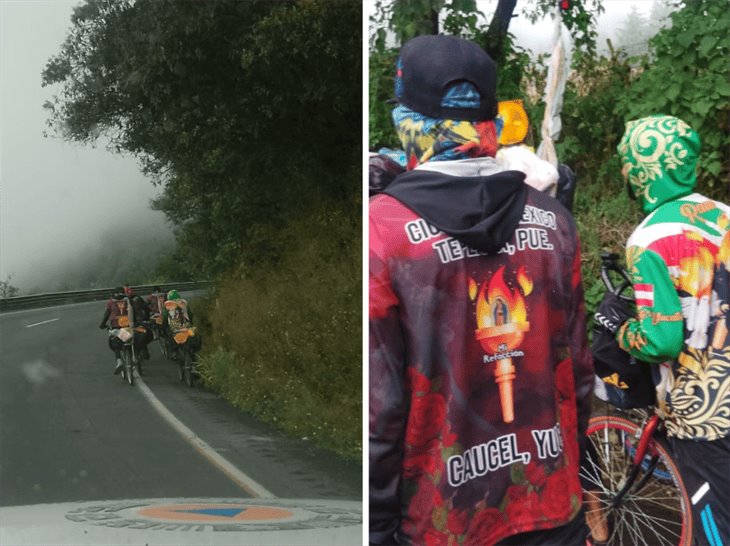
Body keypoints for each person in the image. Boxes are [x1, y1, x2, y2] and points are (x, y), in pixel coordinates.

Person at [369, 34, 593, 546]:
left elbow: (380, 410)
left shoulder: (383, 233)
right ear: (491, 123)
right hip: (551, 505)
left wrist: (377, 528)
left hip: (442, 520)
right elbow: (579, 373)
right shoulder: (555, 221)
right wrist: (583, 483)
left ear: (407, 122)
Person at [609, 114, 730, 545]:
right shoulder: (723, 216)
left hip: (705, 412)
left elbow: (662, 340)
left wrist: (625, 333)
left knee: (714, 527)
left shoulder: (650, 240)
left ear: (642, 174)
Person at [99, 286, 139, 374]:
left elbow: (106, 315)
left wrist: (102, 325)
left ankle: (119, 361)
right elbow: (135, 312)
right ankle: (135, 356)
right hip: (129, 326)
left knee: (114, 341)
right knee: (133, 339)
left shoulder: (110, 302)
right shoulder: (128, 300)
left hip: (116, 327)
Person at [123, 284, 152, 360]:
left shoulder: (135, 299)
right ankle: (142, 349)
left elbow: (146, 309)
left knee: (147, 333)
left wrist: (146, 319)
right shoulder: (136, 299)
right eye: (127, 291)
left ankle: (141, 349)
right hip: (134, 323)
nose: (129, 292)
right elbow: (147, 309)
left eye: (129, 290)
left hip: (132, 323)